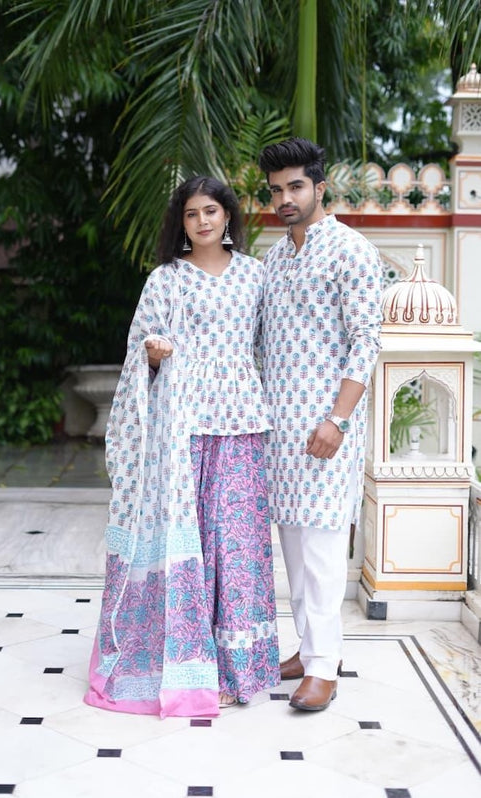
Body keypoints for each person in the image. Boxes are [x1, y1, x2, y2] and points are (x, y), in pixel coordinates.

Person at [85, 175, 279, 719]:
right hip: (183, 426)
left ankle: (239, 670)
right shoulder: (165, 279)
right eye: (192, 214)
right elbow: (139, 350)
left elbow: (268, 347)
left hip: (241, 422)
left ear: (228, 215)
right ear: (182, 223)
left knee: (235, 546)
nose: (202, 221)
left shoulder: (255, 275)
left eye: (210, 211)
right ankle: (185, 664)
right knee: (188, 543)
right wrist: (152, 354)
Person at [258, 138, 382, 712]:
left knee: (324, 548)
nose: (285, 198)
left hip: (328, 427)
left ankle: (325, 669)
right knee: (293, 544)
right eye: (276, 190)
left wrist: (338, 419)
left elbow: (366, 342)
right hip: (279, 430)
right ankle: (309, 649)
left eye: (295, 186)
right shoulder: (273, 258)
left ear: (319, 187)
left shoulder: (351, 250)